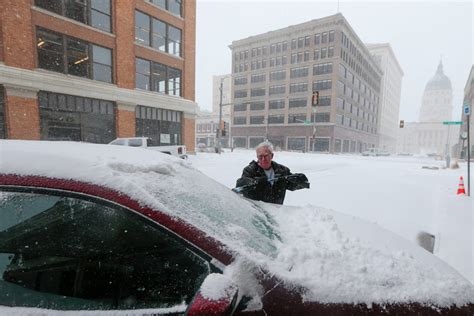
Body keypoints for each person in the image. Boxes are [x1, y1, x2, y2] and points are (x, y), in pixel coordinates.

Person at [235, 141, 308, 205]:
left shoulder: (282, 170)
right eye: (260, 156)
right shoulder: (250, 170)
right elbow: (241, 186)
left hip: (276, 213)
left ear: (272, 156)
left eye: (266, 156)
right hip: (257, 213)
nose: (263, 159)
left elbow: (293, 185)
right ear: (257, 156)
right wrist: (254, 182)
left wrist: (301, 180)